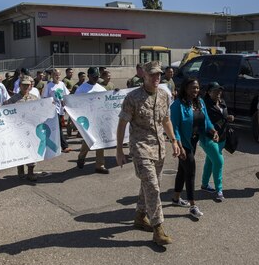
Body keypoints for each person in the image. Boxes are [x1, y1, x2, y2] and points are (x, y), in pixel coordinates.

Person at [116, 61, 181, 246]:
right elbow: (122, 124)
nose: (156, 78)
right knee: (153, 187)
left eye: (158, 74)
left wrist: (174, 141)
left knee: (151, 184)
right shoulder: (132, 97)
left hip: (159, 148)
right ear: (143, 75)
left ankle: (139, 216)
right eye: (152, 74)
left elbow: (166, 120)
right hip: (140, 148)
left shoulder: (163, 95)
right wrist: (119, 149)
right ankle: (158, 228)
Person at [170, 77, 218, 219]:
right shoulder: (177, 105)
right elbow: (175, 127)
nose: (195, 90)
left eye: (197, 87)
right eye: (192, 88)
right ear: (185, 88)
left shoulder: (200, 102)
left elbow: (206, 120)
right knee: (190, 171)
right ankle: (192, 206)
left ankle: (175, 198)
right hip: (183, 143)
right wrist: (178, 145)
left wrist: (213, 131)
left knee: (182, 170)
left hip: (194, 140)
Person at [200, 82, 234, 202]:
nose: (218, 92)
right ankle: (219, 190)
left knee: (210, 161)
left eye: (220, 90)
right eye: (215, 90)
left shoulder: (222, 102)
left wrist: (228, 117)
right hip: (208, 138)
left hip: (222, 137)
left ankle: (204, 185)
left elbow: (224, 116)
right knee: (219, 161)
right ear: (209, 92)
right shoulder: (204, 104)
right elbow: (203, 121)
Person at [3, 75, 40, 181]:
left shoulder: (34, 98)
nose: (25, 87)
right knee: (20, 150)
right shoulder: (13, 99)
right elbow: (4, 110)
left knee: (32, 151)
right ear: (19, 85)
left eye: (27, 85)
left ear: (30, 86)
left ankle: (31, 173)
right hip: (18, 130)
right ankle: (20, 170)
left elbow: (40, 109)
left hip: (31, 129)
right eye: (23, 85)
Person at [75, 67, 109, 174]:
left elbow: (107, 101)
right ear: (88, 76)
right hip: (87, 120)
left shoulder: (101, 89)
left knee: (101, 141)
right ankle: (81, 156)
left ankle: (100, 165)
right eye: (94, 76)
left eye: (97, 77)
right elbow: (74, 103)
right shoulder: (82, 89)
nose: (96, 78)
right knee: (89, 140)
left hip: (99, 119)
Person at [42, 69, 71, 153]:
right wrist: (50, 102)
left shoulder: (62, 84)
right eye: (55, 75)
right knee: (59, 127)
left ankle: (52, 145)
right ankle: (64, 146)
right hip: (53, 110)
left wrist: (65, 104)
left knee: (58, 127)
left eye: (58, 75)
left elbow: (66, 95)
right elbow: (45, 97)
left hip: (61, 109)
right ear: (52, 76)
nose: (57, 76)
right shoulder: (49, 85)